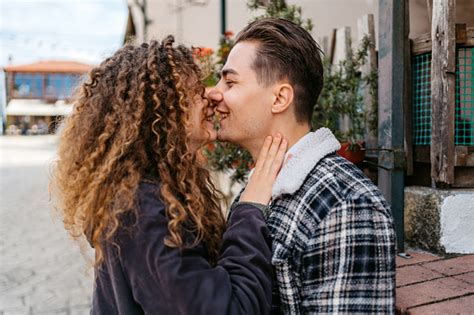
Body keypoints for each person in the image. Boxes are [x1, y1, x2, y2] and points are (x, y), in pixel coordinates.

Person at [50, 36, 288, 314]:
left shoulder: (150, 193)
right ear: (162, 111)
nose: (210, 96)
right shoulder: (142, 210)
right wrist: (250, 209)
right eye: (195, 91)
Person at [209, 18, 396, 314]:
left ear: (280, 98)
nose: (213, 93)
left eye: (229, 82)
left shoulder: (344, 204)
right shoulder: (259, 191)